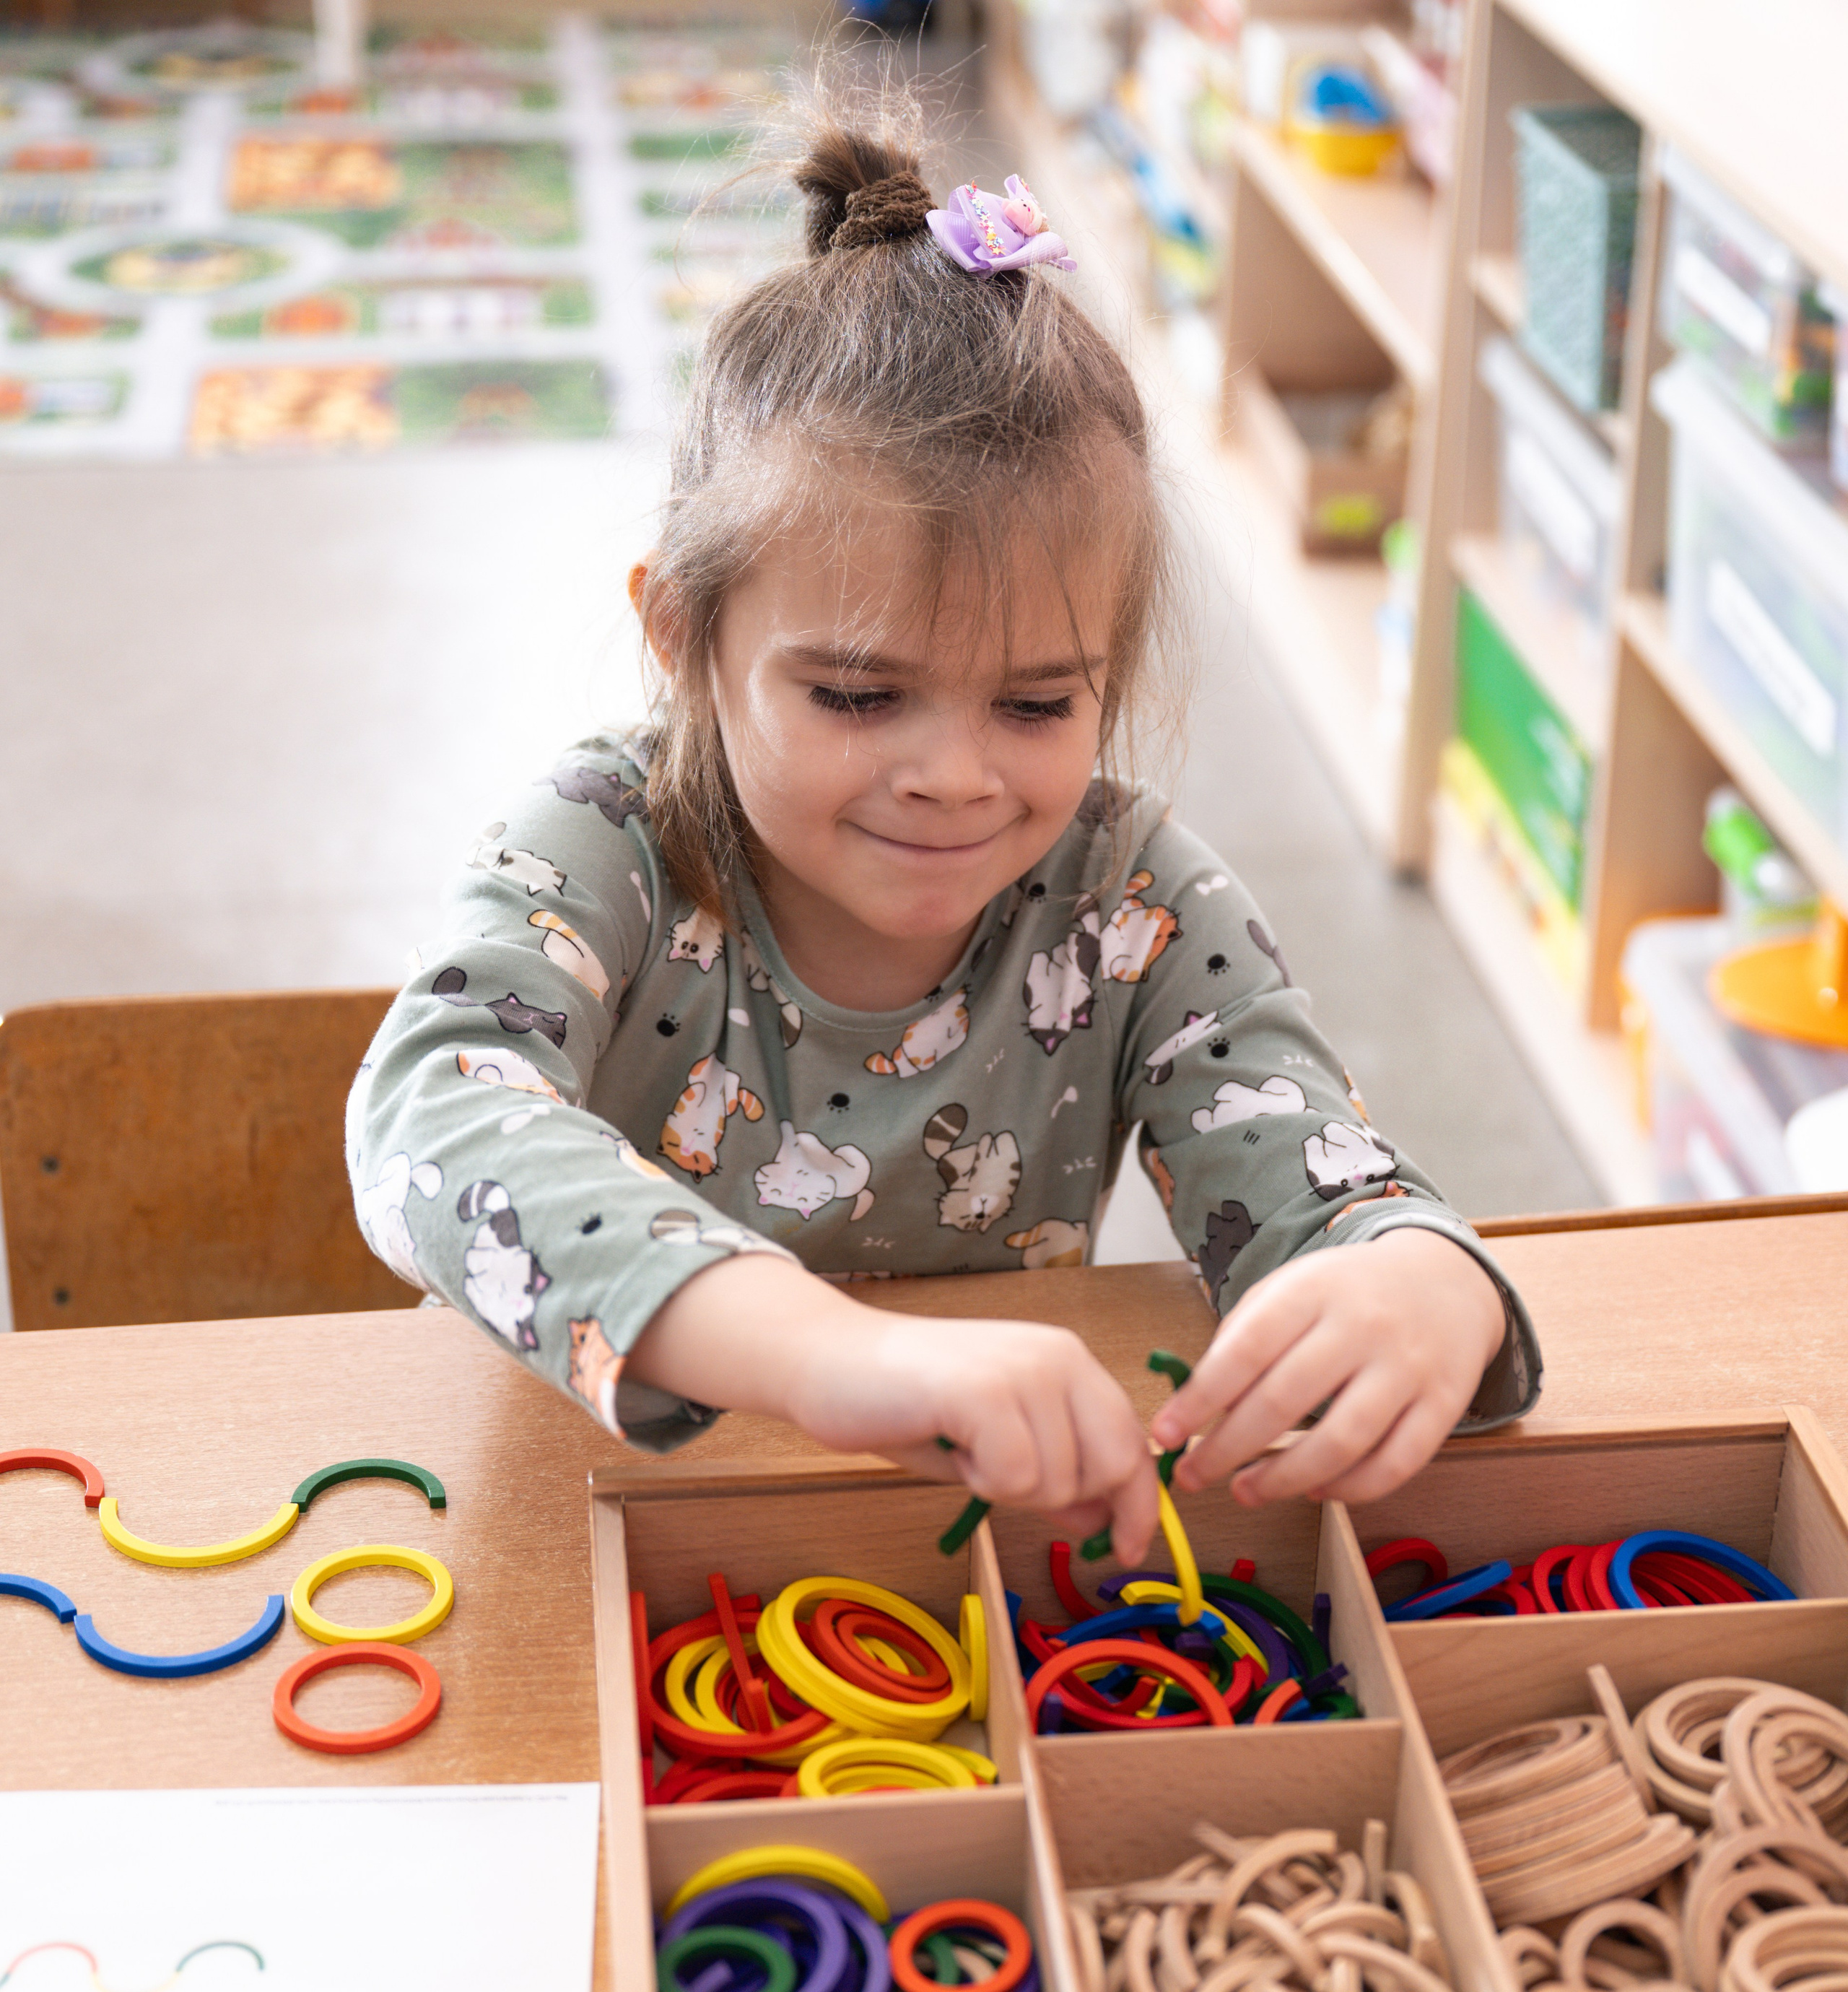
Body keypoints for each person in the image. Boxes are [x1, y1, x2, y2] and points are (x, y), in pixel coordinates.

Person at [346, 87, 1538, 1568]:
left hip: (944, 1546)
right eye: (858, 695)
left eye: (1036, 706)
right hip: (583, 1521)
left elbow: (1313, 1175)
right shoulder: (604, 844)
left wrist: (1420, 1279)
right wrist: (820, 1351)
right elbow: (429, 1123)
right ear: (679, 635)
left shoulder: (1132, 901)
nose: (955, 778)